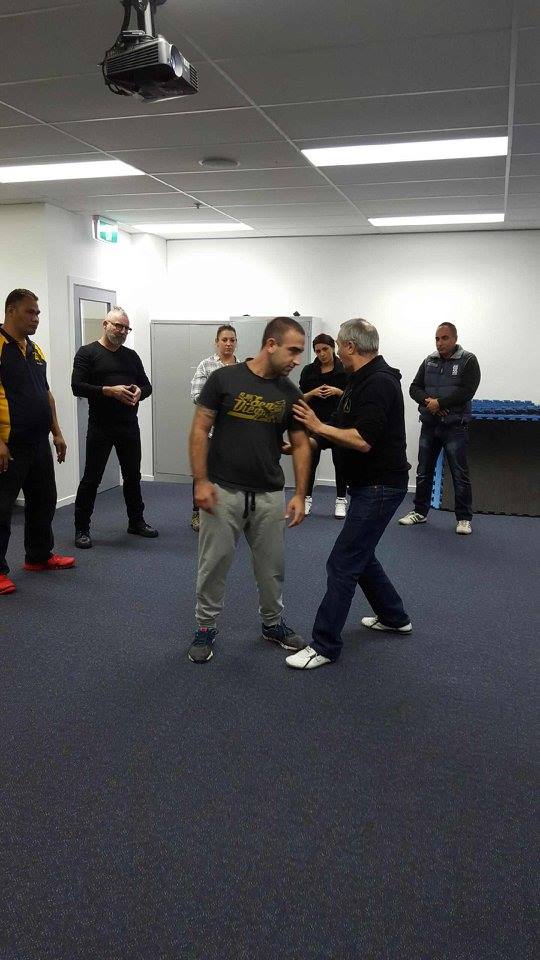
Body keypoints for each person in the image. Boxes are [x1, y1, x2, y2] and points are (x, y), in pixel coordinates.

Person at [286, 318, 411, 670]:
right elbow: (341, 429)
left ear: (351, 347)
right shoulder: (360, 380)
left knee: (342, 561)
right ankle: (394, 616)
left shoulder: (380, 384)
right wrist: (306, 440)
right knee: (362, 554)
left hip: (381, 486)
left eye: (339, 346)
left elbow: (362, 439)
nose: (338, 352)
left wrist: (316, 425)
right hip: (370, 485)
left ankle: (324, 645)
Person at [187, 316, 311, 664]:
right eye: (293, 351)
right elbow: (200, 429)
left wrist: (300, 494)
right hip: (223, 490)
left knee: (272, 567)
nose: (297, 359)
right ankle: (205, 627)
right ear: (270, 345)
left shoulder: (289, 391)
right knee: (213, 564)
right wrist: (200, 480)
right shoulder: (223, 378)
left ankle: (272, 623)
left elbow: (301, 444)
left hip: (269, 494)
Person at [0, 288, 74, 595]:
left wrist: (56, 431)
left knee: (44, 499)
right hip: (9, 444)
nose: (36, 318)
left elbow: (46, 394)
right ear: (11, 310)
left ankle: (38, 556)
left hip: (38, 441)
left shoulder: (35, 349)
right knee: (2, 508)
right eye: (30, 312)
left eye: (38, 313)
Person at [71, 307, 157, 549]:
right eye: (117, 326)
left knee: (132, 476)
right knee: (92, 478)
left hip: (129, 425)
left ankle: (136, 521)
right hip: (100, 426)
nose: (122, 331)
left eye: (126, 328)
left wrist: (140, 392)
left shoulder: (131, 356)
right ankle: (81, 529)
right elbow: (77, 386)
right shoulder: (87, 353)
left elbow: (147, 386)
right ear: (105, 324)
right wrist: (108, 391)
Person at [399, 322, 481, 535]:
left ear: (454, 339)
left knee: (459, 474)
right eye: (437, 338)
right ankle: (420, 512)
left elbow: (467, 391)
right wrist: (429, 402)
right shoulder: (429, 360)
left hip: (455, 428)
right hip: (430, 425)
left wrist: (441, 404)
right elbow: (414, 387)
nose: (440, 342)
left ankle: (464, 518)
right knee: (423, 472)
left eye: (444, 338)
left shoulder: (468, 360)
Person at [189, 324, 237, 532]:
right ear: (216, 342)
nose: (228, 343)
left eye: (232, 340)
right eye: (224, 339)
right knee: (203, 472)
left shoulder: (243, 367)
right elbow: (197, 395)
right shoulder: (206, 366)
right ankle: (197, 512)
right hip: (210, 431)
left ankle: (232, 513)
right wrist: (227, 402)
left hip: (236, 432)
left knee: (234, 472)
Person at [299, 333, 348, 517]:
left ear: (333, 348)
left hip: (338, 422)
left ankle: (341, 500)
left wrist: (337, 391)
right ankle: (306, 499)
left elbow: (353, 397)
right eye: (318, 351)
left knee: (340, 462)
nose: (321, 354)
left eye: (325, 349)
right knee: (310, 462)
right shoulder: (308, 371)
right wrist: (313, 393)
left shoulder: (344, 369)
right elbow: (299, 397)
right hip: (314, 421)